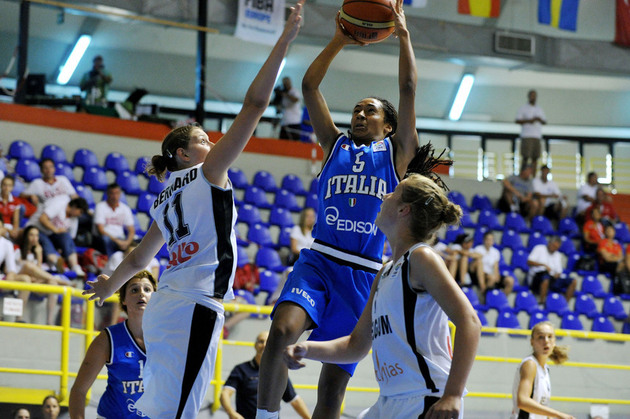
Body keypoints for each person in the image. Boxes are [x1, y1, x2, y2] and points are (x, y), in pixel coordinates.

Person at [83, 6, 304, 418]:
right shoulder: (209, 171)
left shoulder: (162, 196)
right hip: (194, 303)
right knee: (181, 411)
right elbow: (255, 105)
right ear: (185, 154)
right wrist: (285, 39)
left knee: (161, 408)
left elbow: (138, 258)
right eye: (204, 139)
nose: (213, 142)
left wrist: (111, 285)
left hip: (168, 306)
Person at [257, 2, 419, 417]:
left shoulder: (396, 155)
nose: (359, 114)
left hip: (363, 273)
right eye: (356, 110)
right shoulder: (336, 145)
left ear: (388, 124)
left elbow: (407, 91)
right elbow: (310, 88)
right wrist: (337, 40)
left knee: (331, 391)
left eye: (370, 110)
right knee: (281, 331)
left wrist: (403, 36)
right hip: (320, 259)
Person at [283, 173, 481, 419]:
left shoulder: (421, 257)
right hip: (389, 401)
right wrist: (305, 348)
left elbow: (469, 321)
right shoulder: (385, 272)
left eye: (394, 193)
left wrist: (453, 394)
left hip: (426, 398)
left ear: (403, 210)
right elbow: (355, 346)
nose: (385, 196)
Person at [69, 270, 157, 419]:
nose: (142, 294)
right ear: (123, 299)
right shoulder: (107, 339)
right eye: (134, 289)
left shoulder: (167, 336)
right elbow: (79, 390)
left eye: (147, 289)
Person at [220, 331, 311, 419]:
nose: (264, 345)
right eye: (261, 341)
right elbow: (225, 393)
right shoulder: (241, 369)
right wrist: (231, 413)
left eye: (267, 342)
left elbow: (295, 401)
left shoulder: (278, 372)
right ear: (255, 345)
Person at [510, 321, 575, 419]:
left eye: (550, 336)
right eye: (541, 337)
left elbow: (539, 406)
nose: (546, 340)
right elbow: (522, 401)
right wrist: (558, 414)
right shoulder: (530, 364)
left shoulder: (545, 369)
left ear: (554, 341)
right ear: (532, 342)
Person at [15, 225, 78, 325]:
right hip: (18, 278)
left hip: (33, 281)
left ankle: (49, 322)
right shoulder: (18, 249)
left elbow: (38, 271)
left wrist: (39, 255)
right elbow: (17, 268)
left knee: (52, 282)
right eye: (31, 235)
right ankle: (19, 317)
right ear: (26, 236)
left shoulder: (38, 251)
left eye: (36, 235)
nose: (34, 238)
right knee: (28, 266)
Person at [100, 241, 160, 328]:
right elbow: (115, 283)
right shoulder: (117, 257)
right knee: (121, 297)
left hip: (136, 290)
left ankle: (149, 327)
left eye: (135, 254)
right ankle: (112, 327)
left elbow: (153, 283)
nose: (132, 257)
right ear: (125, 253)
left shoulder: (152, 260)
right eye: (130, 254)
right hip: (114, 289)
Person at [25, 196, 89, 277]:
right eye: (80, 212)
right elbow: (43, 219)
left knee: (66, 236)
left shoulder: (74, 219)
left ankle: (74, 266)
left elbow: (70, 239)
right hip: (36, 228)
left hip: (51, 235)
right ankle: (55, 260)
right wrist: (56, 230)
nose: (80, 215)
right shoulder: (59, 204)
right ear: (75, 207)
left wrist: (62, 247)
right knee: (45, 241)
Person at [527, 236, 577, 305]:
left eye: (557, 247)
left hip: (552, 278)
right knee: (545, 278)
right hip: (537, 277)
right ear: (549, 243)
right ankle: (541, 302)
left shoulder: (558, 255)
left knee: (573, 281)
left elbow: (559, 270)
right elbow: (529, 262)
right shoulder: (539, 248)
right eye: (553, 246)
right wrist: (543, 265)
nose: (554, 249)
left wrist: (557, 274)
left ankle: (565, 304)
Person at [93, 183, 135, 256]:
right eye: (112, 193)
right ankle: (110, 262)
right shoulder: (100, 206)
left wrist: (127, 242)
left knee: (140, 241)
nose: (115, 196)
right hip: (106, 238)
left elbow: (131, 229)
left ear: (120, 194)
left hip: (120, 238)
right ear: (107, 194)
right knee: (106, 239)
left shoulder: (125, 208)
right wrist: (117, 241)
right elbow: (100, 230)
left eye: (117, 193)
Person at [472, 231, 515, 297]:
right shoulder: (478, 249)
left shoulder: (496, 252)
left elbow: (495, 265)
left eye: (491, 239)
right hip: (481, 274)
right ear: (484, 240)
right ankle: (486, 297)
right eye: (488, 239)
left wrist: (496, 275)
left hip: (491, 274)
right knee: (491, 278)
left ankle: (501, 298)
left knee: (510, 280)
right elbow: (475, 264)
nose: (489, 241)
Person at [515, 89, 546, 176]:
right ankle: (522, 174)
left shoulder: (539, 109)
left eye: (534, 96)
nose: (533, 97)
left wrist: (539, 120)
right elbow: (517, 120)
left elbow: (544, 121)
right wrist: (529, 121)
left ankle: (533, 176)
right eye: (532, 95)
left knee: (535, 157)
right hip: (527, 135)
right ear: (528, 97)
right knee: (525, 156)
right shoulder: (523, 108)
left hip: (537, 136)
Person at [0, 175, 34, 241]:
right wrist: (7, 230)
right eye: (5, 185)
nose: (7, 188)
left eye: (9, 186)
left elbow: (16, 221)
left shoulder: (15, 201)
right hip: (1, 226)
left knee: (29, 233)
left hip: (10, 227)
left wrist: (14, 231)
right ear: (1, 185)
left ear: (12, 188)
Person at [277, 76, 304, 141]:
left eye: (286, 83)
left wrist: (286, 94)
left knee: (293, 142)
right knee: (282, 141)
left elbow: (296, 99)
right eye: (284, 84)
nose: (285, 85)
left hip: (294, 122)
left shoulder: (294, 92)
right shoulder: (283, 93)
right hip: (285, 121)